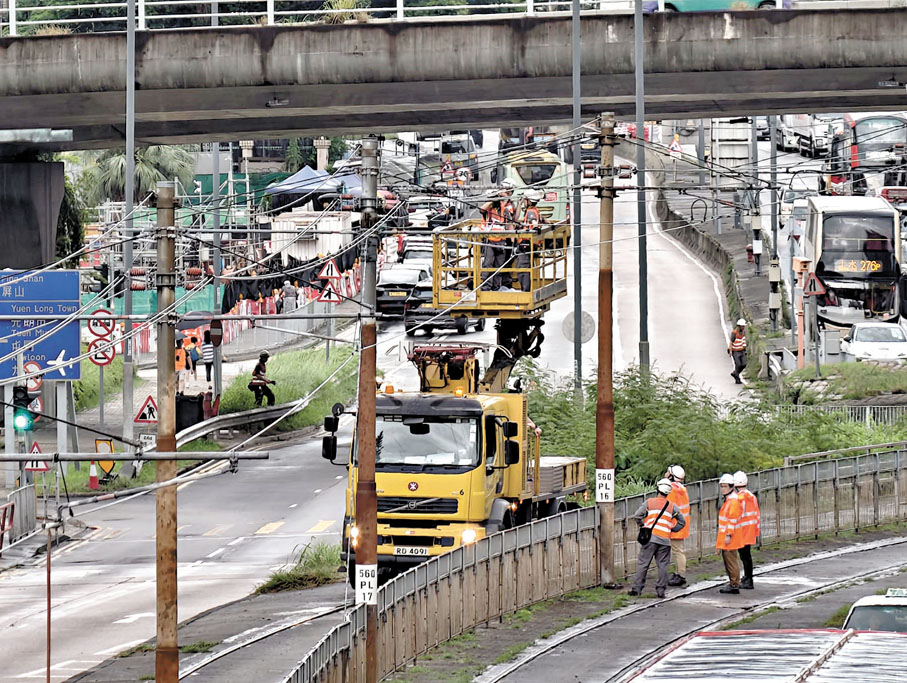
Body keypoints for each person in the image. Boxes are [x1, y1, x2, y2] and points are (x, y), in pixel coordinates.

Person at [629, 478, 686, 599]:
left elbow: (637, 515)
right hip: (665, 540)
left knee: (643, 564)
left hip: (650, 538)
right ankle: (661, 590)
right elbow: (682, 521)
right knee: (663, 566)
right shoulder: (672, 506)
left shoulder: (649, 502)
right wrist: (672, 528)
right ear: (668, 492)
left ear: (658, 489)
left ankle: (637, 589)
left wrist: (643, 525)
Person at [480, 179, 516, 291]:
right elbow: (481, 209)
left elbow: (509, 224)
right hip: (490, 241)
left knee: (498, 267)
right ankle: (486, 288)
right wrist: (493, 199)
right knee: (488, 265)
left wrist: (513, 242)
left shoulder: (504, 209)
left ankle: (496, 288)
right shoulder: (489, 208)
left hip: (501, 241)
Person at [717, 473, 745, 594]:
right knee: (729, 560)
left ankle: (734, 584)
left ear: (731, 486)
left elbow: (732, 519)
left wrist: (728, 534)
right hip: (728, 536)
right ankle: (733, 582)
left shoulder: (732, 501)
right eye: (722, 486)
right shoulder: (730, 500)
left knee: (731, 560)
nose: (723, 489)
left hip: (730, 537)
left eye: (725, 486)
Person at [734, 471, 760, 590]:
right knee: (746, 555)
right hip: (750, 529)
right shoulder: (751, 496)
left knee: (744, 556)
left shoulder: (739, 498)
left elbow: (737, 515)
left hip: (742, 530)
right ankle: (747, 577)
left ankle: (748, 579)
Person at [665, 464, 691, 587]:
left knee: (678, 551)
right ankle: (678, 573)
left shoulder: (671, 490)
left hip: (674, 524)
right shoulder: (681, 489)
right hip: (681, 523)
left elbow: (667, 507)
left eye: (667, 473)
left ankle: (681, 575)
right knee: (677, 550)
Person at [515, 189, 544, 292]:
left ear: (529, 201)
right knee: (525, 269)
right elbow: (543, 220)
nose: (524, 202)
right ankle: (526, 289)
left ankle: (525, 291)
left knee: (523, 270)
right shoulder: (536, 210)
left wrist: (535, 227)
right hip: (530, 244)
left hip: (526, 245)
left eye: (525, 200)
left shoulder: (531, 211)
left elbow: (534, 222)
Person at [728, 319, 747, 384]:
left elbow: (743, 341)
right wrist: (730, 351)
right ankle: (737, 378)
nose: (743, 327)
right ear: (739, 326)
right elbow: (731, 342)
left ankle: (735, 373)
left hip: (742, 350)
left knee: (744, 364)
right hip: (735, 351)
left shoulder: (743, 332)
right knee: (738, 364)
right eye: (742, 326)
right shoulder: (734, 333)